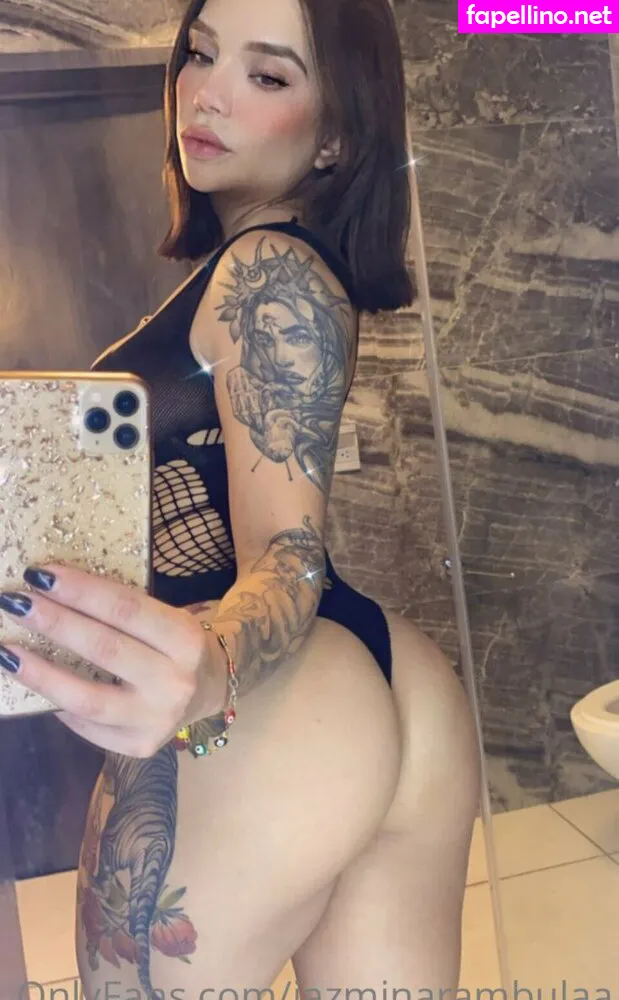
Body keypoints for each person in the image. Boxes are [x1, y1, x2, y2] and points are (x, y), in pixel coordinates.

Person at [0, 0, 480, 993]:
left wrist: (208, 675)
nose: (206, 93)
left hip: (255, 702)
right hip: (373, 681)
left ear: (335, 133)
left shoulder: (268, 270)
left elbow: (288, 550)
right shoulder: (259, 269)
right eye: (201, 54)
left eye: (266, 75)